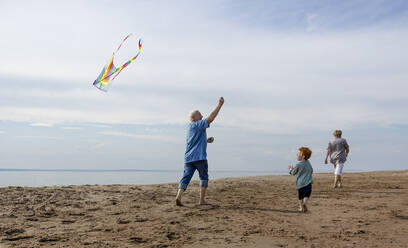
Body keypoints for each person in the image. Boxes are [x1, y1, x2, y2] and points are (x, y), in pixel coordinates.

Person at [175, 97, 225, 206]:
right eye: (200, 115)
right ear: (194, 117)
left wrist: (205, 141)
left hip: (188, 158)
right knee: (204, 177)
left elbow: (194, 141)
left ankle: (178, 196)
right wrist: (219, 105)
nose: (202, 116)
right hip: (199, 157)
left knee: (186, 177)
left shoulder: (189, 127)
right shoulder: (198, 124)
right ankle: (201, 201)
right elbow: (211, 118)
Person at [288, 147, 313, 213]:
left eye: (298, 153)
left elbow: (293, 173)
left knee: (300, 196)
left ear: (303, 156)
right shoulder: (308, 163)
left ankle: (301, 207)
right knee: (307, 194)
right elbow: (311, 170)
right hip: (308, 182)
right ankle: (304, 203)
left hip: (300, 183)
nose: (297, 154)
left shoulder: (298, 164)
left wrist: (291, 169)